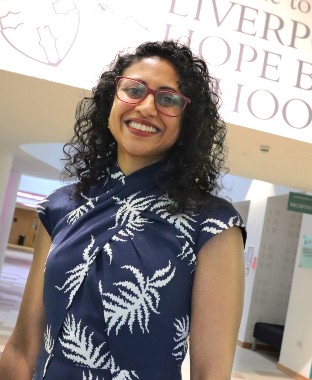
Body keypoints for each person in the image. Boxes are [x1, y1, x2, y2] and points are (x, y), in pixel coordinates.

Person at [0, 40, 246, 380]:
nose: (146, 107)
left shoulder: (213, 225)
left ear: (188, 122)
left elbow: (210, 374)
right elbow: (22, 347)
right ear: (111, 101)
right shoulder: (59, 208)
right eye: (133, 89)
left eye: (168, 98)